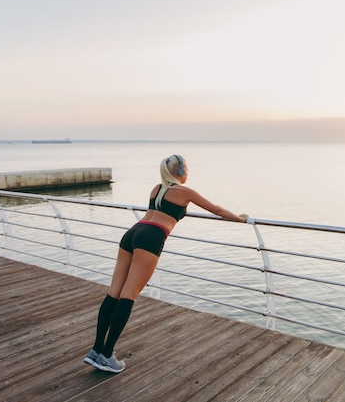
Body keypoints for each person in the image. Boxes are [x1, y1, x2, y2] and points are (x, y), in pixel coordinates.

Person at [83, 154, 249, 373]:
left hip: (133, 232)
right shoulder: (185, 192)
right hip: (151, 237)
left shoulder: (156, 189)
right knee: (128, 295)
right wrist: (240, 218)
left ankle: (96, 350)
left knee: (114, 292)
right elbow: (216, 210)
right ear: (179, 172)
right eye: (187, 168)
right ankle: (107, 355)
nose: (188, 172)